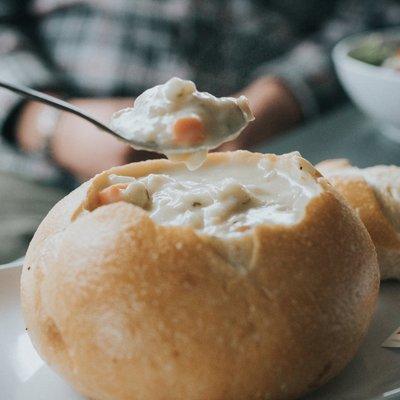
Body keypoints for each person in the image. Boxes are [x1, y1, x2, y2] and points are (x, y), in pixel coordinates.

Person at [1, 0, 399, 262]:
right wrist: (45, 121)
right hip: (36, 168)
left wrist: (284, 93)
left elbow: (374, 12)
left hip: (282, 155)